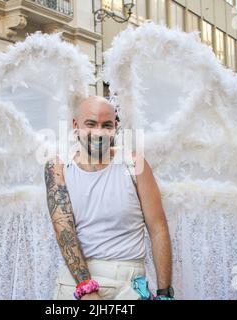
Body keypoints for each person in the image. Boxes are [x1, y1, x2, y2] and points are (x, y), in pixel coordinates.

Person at [44, 96, 173, 300]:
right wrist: (86, 288)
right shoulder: (58, 167)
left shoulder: (134, 164)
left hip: (129, 287)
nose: (99, 132)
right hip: (77, 284)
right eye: (91, 124)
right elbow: (64, 231)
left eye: (107, 125)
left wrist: (165, 294)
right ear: (76, 125)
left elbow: (158, 229)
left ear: (116, 126)